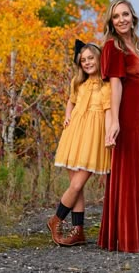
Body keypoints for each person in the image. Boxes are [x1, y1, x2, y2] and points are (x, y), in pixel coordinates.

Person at [97, 0, 139, 253]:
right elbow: (115, 85)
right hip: (128, 113)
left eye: (125, 14)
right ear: (111, 22)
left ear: (133, 17)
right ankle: (126, 235)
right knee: (129, 172)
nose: (121, 19)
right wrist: (113, 120)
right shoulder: (112, 47)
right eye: (116, 16)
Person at [47, 39, 112, 247]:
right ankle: (78, 231)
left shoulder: (108, 85)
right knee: (78, 186)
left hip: (93, 139)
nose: (87, 62)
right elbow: (71, 100)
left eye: (91, 58)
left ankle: (56, 219)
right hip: (74, 134)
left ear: (99, 58)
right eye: (83, 60)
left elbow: (109, 111)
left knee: (77, 183)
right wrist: (67, 116)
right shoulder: (78, 82)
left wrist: (110, 134)